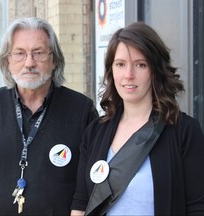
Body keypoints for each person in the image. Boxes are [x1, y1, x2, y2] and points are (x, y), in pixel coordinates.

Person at [0, 17, 98, 215]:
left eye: (38, 53)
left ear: (54, 59)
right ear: (7, 60)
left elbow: (91, 187)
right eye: (20, 54)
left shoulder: (82, 111)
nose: (29, 63)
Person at [70, 22, 204, 216]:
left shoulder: (184, 131)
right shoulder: (94, 133)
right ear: (111, 71)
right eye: (120, 64)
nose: (129, 75)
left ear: (155, 70)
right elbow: (81, 205)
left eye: (140, 65)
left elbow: (198, 206)